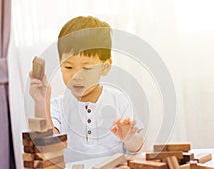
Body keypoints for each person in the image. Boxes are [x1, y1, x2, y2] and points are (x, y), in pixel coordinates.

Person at [29, 16, 144, 161]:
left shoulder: (119, 100)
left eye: (87, 68)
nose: (76, 76)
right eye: (68, 67)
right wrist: (41, 101)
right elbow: (47, 146)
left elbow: (136, 147)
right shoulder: (57, 106)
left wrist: (129, 138)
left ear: (105, 67)